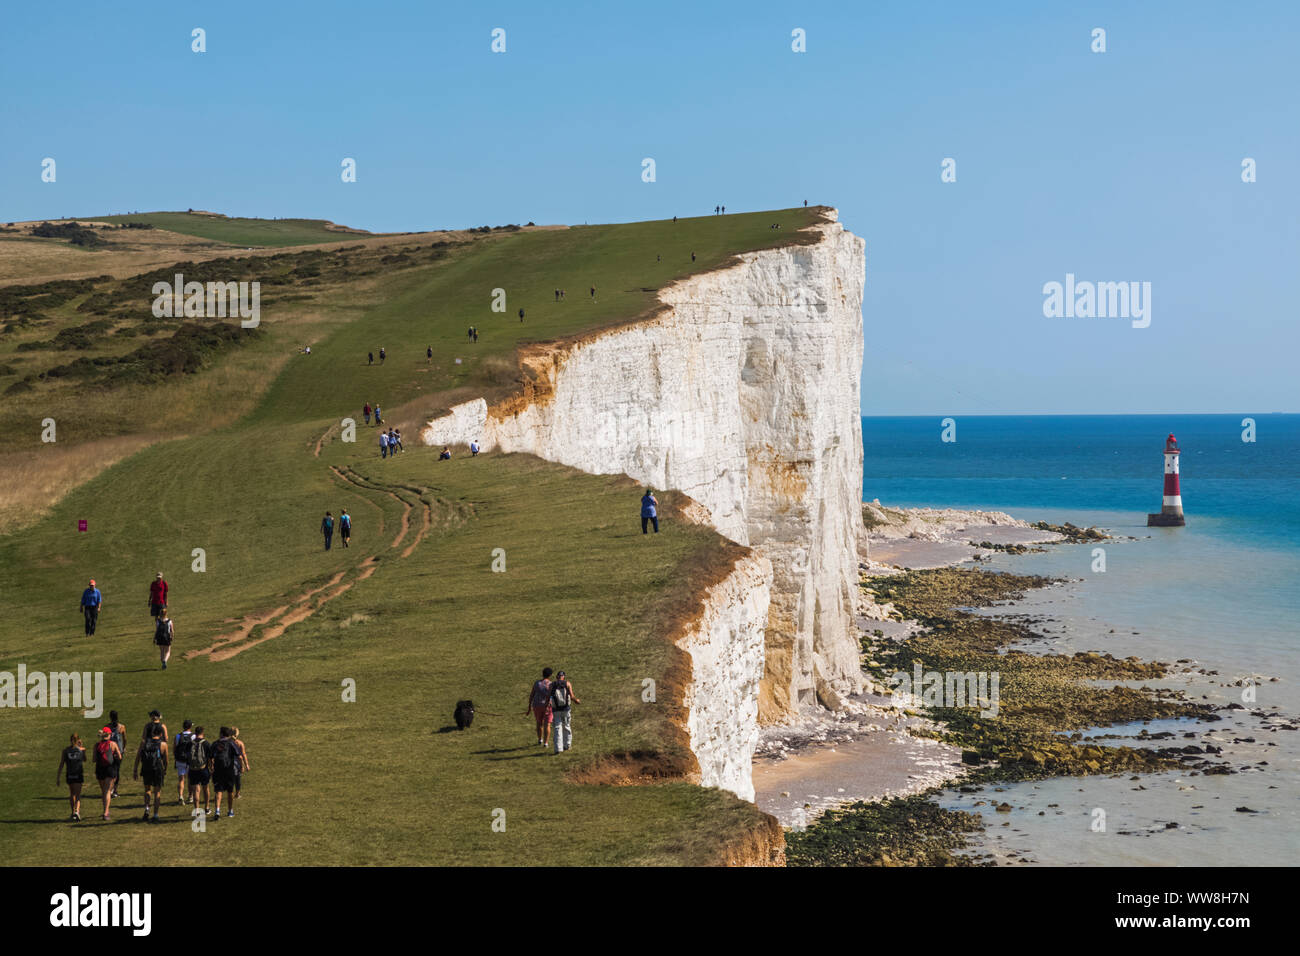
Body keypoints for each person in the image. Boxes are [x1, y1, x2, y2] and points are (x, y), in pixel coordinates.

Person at [132, 730, 168, 823]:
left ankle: (147, 809)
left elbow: (138, 757)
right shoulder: (163, 744)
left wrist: (135, 769)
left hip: (146, 768)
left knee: (147, 790)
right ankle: (155, 815)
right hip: (157, 769)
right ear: (160, 734)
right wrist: (165, 770)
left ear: (152, 733)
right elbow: (166, 760)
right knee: (157, 792)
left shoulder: (144, 743)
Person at [92, 728, 122, 820]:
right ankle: (106, 812)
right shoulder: (113, 744)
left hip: (100, 769)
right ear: (109, 734)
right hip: (110, 768)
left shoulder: (96, 745)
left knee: (103, 791)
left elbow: (94, 760)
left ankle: (105, 810)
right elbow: (120, 757)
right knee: (108, 791)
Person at [211, 727, 241, 819]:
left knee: (218, 791)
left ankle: (217, 810)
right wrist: (241, 766)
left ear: (221, 734)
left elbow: (210, 757)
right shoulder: (231, 743)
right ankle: (230, 810)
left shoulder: (215, 744)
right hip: (229, 770)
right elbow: (238, 755)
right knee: (230, 791)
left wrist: (211, 767)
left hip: (218, 770)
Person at [56, 733, 86, 821]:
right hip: (78, 774)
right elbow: (84, 759)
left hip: (69, 774)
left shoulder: (65, 751)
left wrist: (58, 777)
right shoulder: (82, 750)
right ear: (78, 740)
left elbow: (62, 764)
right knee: (78, 795)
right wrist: (81, 746)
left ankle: (73, 812)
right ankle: (77, 811)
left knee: (72, 794)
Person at [550, 671, 581, 754]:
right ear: (563, 677)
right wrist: (576, 700)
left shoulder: (552, 685)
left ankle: (558, 748)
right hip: (566, 709)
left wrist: (546, 705)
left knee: (557, 728)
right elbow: (571, 696)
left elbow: (549, 697)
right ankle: (567, 745)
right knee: (566, 726)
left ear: (557, 677)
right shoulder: (567, 683)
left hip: (556, 710)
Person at [525, 668, 554, 747]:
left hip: (536, 705)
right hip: (547, 706)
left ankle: (540, 739)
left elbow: (532, 695)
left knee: (539, 723)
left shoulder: (537, 683)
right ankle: (546, 743)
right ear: (550, 675)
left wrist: (529, 707)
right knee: (547, 724)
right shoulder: (551, 684)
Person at [188, 726, 212, 815]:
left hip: (193, 769)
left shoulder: (190, 743)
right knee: (206, 788)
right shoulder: (206, 743)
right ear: (203, 733)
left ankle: (197, 810)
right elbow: (210, 758)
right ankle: (207, 807)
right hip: (203, 769)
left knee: (196, 791)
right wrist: (211, 768)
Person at [106, 710, 126, 797]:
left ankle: (110, 789)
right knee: (117, 770)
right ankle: (115, 790)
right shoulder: (121, 727)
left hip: (110, 750)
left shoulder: (107, 727)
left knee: (111, 770)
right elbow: (125, 739)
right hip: (119, 751)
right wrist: (123, 748)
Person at [174, 720, 195, 804]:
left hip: (180, 760)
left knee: (181, 779)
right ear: (190, 727)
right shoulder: (193, 736)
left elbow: (174, 749)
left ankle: (180, 796)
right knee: (190, 779)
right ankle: (190, 797)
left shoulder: (178, 736)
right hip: (190, 760)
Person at [231, 727, 250, 813]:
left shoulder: (227, 743)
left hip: (228, 764)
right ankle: (237, 794)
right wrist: (246, 765)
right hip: (237, 764)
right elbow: (243, 755)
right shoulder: (239, 743)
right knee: (237, 780)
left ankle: (230, 793)